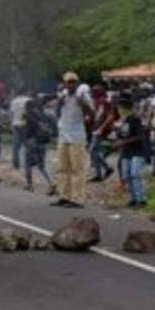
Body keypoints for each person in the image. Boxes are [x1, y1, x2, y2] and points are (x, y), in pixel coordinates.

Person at [54, 72, 93, 208]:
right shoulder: (63, 96)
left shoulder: (82, 95)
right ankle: (64, 195)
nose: (70, 84)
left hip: (77, 137)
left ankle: (77, 199)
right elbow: (57, 114)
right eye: (68, 82)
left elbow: (91, 113)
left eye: (73, 82)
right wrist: (59, 102)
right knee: (62, 168)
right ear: (64, 83)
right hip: (64, 135)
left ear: (76, 83)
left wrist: (83, 104)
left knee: (77, 168)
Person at [115, 99, 151, 207]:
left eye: (120, 108)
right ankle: (133, 198)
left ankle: (142, 199)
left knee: (136, 174)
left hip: (137, 151)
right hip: (127, 151)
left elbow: (140, 136)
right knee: (127, 175)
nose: (119, 111)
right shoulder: (123, 121)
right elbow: (121, 135)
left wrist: (123, 141)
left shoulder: (135, 119)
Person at [22, 95, 56, 193]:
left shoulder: (29, 116)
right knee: (41, 166)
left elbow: (27, 130)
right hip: (42, 142)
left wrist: (25, 141)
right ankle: (51, 183)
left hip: (32, 141)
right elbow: (52, 129)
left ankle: (29, 185)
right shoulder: (47, 116)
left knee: (27, 164)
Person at [88, 85, 117, 182]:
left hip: (102, 131)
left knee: (92, 150)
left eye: (95, 96)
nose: (94, 99)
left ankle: (104, 170)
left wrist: (101, 128)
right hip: (96, 129)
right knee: (94, 151)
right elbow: (98, 116)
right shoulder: (98, 104)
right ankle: (102, 172)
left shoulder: (105, 103)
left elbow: (110, 117)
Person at [9, 89, 31, 171]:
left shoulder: (14, 101)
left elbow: (11, 114)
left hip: (16, 125)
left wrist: (11, 124)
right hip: (25, 125)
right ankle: (28, 163)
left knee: (15, 146)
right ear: (26, 92)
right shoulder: (29, 100)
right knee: (27, 145)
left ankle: (16, 164)